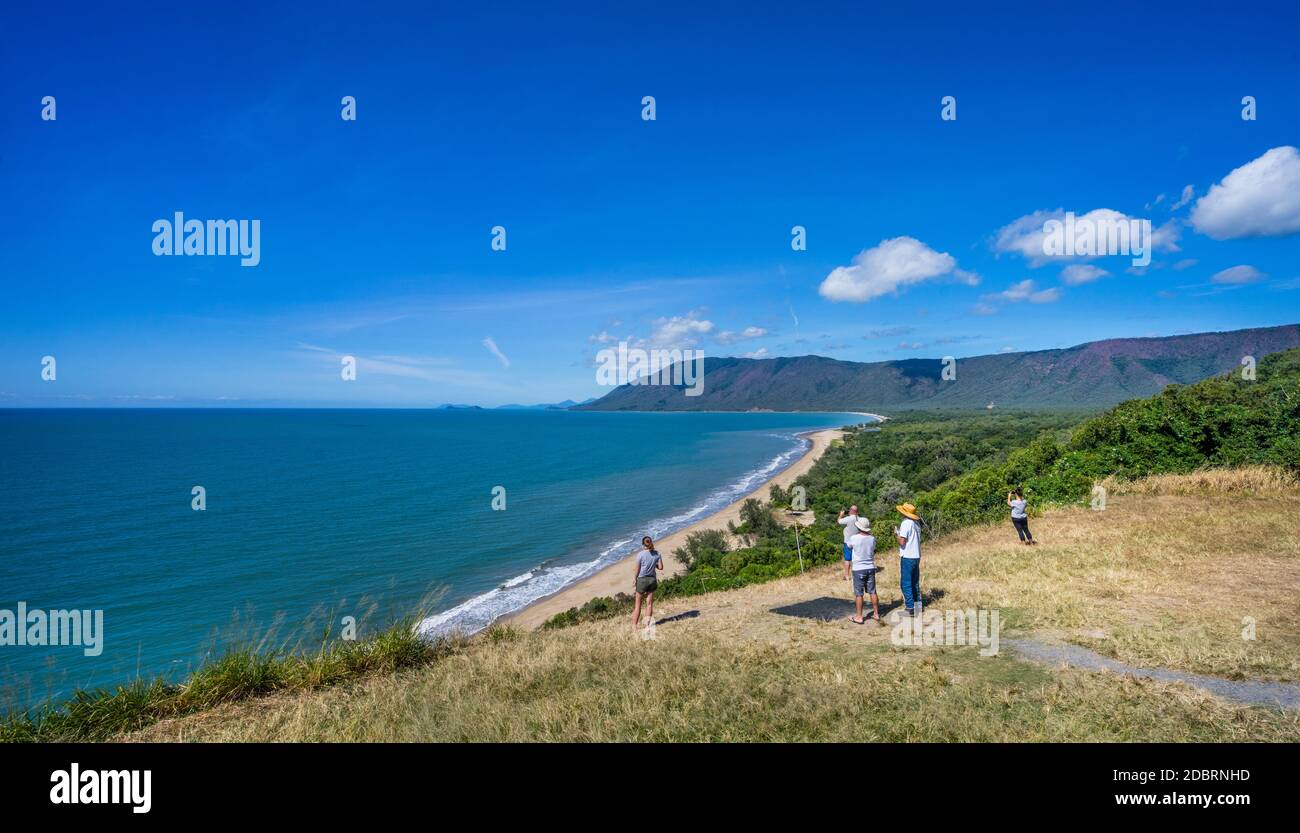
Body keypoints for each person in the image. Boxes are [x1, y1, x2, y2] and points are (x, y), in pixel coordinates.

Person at [848, 516, 882, 625]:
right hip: (870, 567)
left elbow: (848, 546)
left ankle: (859, 617)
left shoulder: (854, 538)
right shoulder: (872, 538)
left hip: (858, 568)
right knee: (873, 591)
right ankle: (876, 614)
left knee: (859, 594)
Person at [894, 502, 923, 617]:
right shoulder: (916, 524)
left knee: (905, 583)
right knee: (914, 581)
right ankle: (918, 606)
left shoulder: (906, 523)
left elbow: (902, 541)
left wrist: (897, 534)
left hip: (908, 556)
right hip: (916, 555)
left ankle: (910, 608)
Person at [631, 535, 664, 629]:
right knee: (649, 604)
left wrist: (634, 579)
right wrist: (655, 565)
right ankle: (647, 625)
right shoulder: (657, 553)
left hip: (642, 580)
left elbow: (637, 569)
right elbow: (661, 567)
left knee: (638, 605)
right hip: (652, 580)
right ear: (651, 542)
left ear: (643, 544)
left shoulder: (640, 554)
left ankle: (634, 626)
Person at [836, 505, 860, 581]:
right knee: (856, 559)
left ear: (851, 511)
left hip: (848, 542)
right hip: (857, 541)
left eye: (849, 509)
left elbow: (839, 521)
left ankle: (847, 576)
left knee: (847, 559)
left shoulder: (848, 519)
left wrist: (840, 515)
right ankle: (857, 574)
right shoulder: (859, 519)